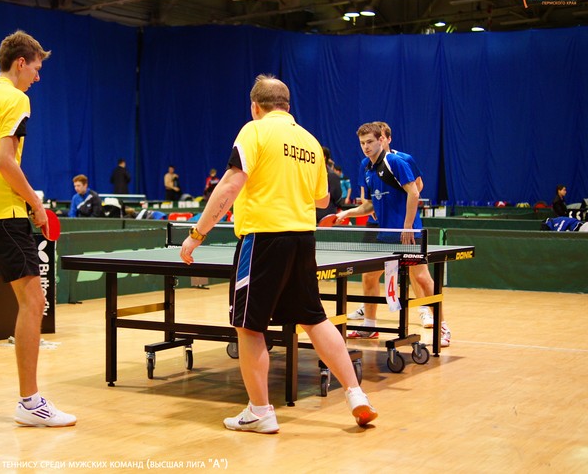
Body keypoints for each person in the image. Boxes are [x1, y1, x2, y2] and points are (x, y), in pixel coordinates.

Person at [180, 74, 377, 433]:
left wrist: (197, 234)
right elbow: (322, 200)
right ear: (287, 105)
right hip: (302, 240)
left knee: (248, 326)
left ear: (255, 106)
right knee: (314, 319)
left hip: (263, 239)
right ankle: (356, 394)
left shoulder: (254, 131)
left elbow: (231, 184)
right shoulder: (310, 142)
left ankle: (260, 411)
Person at [0, 30, 76, 427]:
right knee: (34, 302)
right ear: (21, 63)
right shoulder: (16, 99)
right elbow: (5, 161)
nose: (37, 76)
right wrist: (36, 205)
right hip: (5, 213)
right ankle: (30, 402)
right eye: (36, 68)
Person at [337, 122, 451, 347]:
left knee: (422, 278)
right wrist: (348, 212)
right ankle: (369, 326)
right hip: (384, 235)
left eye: (370, 142)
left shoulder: (396, 162)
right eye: (362, 143)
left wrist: (407, 226)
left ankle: (442, 326)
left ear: (381, 140)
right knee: (370, 276)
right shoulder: (366, 167)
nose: (366, 147)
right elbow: (370, 205)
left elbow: (414, 192)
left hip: (408, 234)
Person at [315, 146, 343, 221]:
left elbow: (337, 198)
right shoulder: (310, 173)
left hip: (326, 217)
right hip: (310, 216)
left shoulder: (333, 176)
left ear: (324, 157)